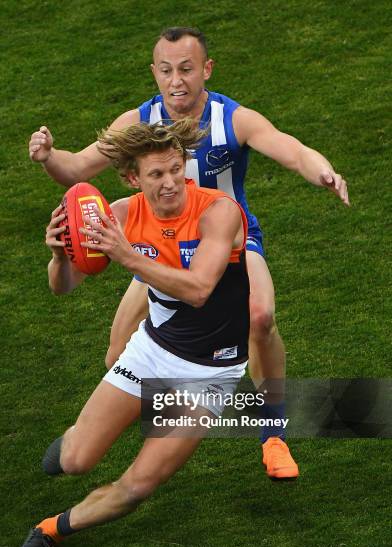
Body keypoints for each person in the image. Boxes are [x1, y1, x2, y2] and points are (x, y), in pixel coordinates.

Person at [28, 27, 349, 479]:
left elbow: (290, 149)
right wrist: (48, 156)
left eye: (186, 69)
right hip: (158, 246)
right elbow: (78, 168)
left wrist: (323, 171)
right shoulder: (137, 122)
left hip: (229, 242)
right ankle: (98, 429)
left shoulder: (231, 118)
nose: (176, 81)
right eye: (166, 70)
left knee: (260, 316)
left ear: (206, 70)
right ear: (154, 73)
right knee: (116, 353)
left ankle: (272, 431)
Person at [10, 118, 250, 547]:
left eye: (176, 169)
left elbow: (199, 289)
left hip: (209, 375)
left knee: (139, 485)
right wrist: (61, 254)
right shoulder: (119, 214)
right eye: (156, 175)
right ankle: (77, 438)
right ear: (131, 179)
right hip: (151, 353)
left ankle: (50, 530)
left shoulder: (218, 212)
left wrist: (127, 256)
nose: (170, 183)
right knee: (76, 460)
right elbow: (63, 288)